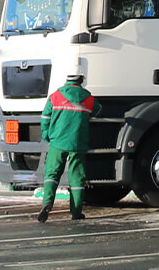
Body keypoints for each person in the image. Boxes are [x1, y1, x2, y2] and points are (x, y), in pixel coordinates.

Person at [38, 74, 99, 223]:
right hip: (78, 143)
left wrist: (47, 135)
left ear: (67, 80)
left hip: (58, 141)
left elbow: (45, 118)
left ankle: (47, 203)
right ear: (81, 81)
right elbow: (98, 110)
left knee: (52, 173)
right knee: (77, 177)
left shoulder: (55, 96)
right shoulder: (89, 99)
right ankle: (76, 212)